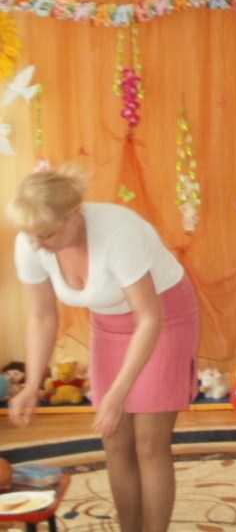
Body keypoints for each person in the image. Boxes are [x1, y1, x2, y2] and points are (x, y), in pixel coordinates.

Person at [5, 165, 200, 532]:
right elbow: (42, 316)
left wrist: (118, 393)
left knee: (149, 443)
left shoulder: (118, 233)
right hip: (109, 325)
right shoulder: (31, 241)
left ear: (73, 216)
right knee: (115, 439)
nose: (36, 244)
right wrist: (31, 384)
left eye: (46, 234)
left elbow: (150, 318)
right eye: (31, 235)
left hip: (164, 319)